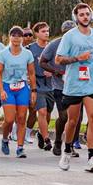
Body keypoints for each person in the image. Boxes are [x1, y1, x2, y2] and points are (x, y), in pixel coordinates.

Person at [55, 3, 93, 172]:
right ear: (76, 17)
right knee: (72, 121)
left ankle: (92, 157)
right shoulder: (70, 36)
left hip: (92, 83)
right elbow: (58, 59)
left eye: (87, 14)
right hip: (73, 84)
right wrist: (77, 58)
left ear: (91, 16)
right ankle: (67, 150)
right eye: (81, 14)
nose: (85, 17)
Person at [0, 26, 37, 159]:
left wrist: (33, 90)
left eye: (19, 36)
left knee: (21, 118)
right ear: (10, 37)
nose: (16, 38)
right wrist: (1, 90)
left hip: (22, 88)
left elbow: (31, 73)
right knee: (8, 119)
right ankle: (5, 139)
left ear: (22, 38)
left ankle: (20, 147)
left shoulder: (27, 54)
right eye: (14, 35)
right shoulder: (3, 53)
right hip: (8, 87)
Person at [40, 20, 76, 157]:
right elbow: (42, 62)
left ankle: (70, 145)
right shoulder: (54, 44)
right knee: (64, 116)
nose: (70, 35)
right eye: (67, 33)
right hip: (60, 86)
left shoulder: (80, 44)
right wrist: (55, 71)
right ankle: (58, 141)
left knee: (75, 117)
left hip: (78, 85)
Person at [28, 22, 54, 151]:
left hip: (51, 85)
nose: (46, 33)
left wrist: (53, 71)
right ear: (36, 33)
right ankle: (47, 139)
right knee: (42, 112)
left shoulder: (52, 48)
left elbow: (59, 63)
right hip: (37, 84)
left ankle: (40, 133)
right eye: (43, 31)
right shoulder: (30, 49)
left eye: (47, 31)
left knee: (48, 113)